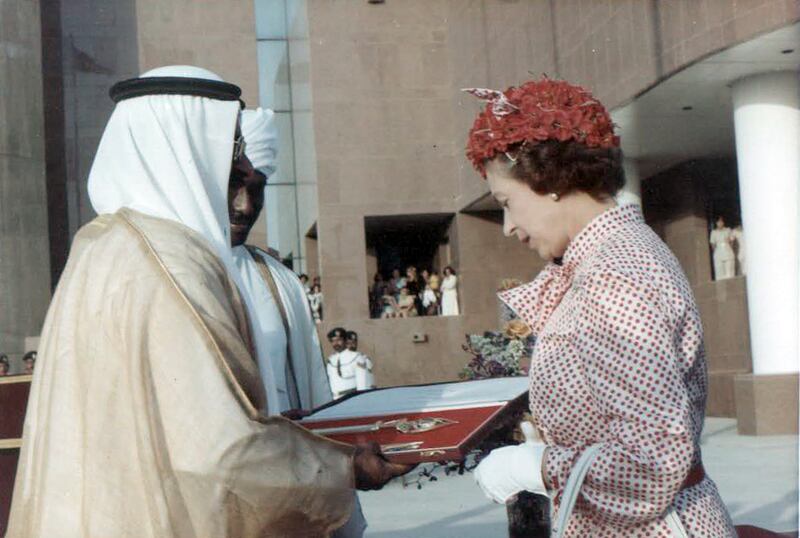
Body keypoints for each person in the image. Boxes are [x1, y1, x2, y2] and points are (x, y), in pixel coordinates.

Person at [7, 66, 410, 538]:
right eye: (231, 148)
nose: (242, 169)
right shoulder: (174, 264)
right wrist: (346, 470)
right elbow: (221, 453)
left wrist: (284, 432)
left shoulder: (99, 245)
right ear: (181, 152)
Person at [464, 78, 736, 536]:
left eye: (507, 203)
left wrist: (534, 466)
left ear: (547, 180)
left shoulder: (614, 274)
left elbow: (651, 463)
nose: (508, 226)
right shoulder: (606, 260)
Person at [233, 107, 367, 537]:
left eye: (258, 189)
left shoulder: (279, 280)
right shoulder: (167, 274)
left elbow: (311, 390)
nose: (246, 206)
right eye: (234, 186)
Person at [327, 328, 372, 398]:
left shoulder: (357, 357)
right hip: (335, 400)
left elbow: (363, 383)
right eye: (333, 341)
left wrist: (362, 399)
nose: (336, 343)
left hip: (352, 398)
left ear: (345, 340)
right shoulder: (331, 360)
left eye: (339, 340)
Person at [709, 216, 735, 280]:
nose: (720, 223)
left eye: (721, 221)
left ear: (723, 222)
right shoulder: (714, 232)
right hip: (718, 253)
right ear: (716, 223)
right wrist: (716, 251)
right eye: (718, 222)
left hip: (727, 251)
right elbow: (713, 244)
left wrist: (729, 247)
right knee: (720, 272)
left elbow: (732, 241)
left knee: (729, 272)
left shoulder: (728, 230)